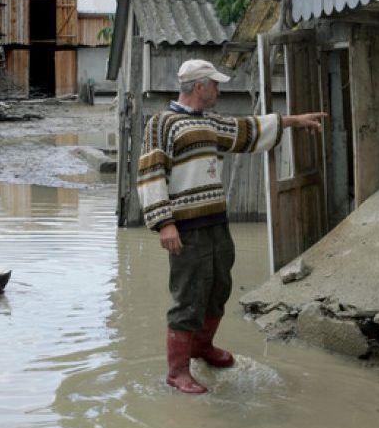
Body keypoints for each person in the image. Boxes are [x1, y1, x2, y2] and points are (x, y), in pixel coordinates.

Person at [137, 59, 326, 394]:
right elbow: (150, 174)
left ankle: (203, 347)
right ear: (200, 86)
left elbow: (247, 130)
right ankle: (177, 372)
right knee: (188, 295)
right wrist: (164, 223)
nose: (219, 90)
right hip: (186, 226)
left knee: (219, 286)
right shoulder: (162, 123)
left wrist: (294, 121)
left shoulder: (209, 123)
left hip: (216, 223)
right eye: (215, 84)